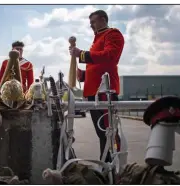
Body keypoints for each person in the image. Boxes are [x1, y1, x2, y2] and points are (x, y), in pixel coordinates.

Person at [69, 10, 124, 163]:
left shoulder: (113, 34)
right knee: (102, 133)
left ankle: (115, 164)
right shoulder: (98, 38)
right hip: (95, 93)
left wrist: (81, 54)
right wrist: (83, 75)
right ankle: (105, 164)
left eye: (93, 22)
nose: (91, 25)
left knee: (109, 132)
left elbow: (109, 57)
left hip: (106, 92)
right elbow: (97, 68)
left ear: (103, 19)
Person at [0, 40, 34, 165]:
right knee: (0, 126)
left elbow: (31, 83)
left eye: (20, 49)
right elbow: (0, 79)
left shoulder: (28, 64)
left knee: (19, 126)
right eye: (16, 49)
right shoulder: (5, 63)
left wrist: (28, 99)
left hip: (20, 99)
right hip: (5, 98)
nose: (18, 51)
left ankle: (17, 154)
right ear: (11, 50)